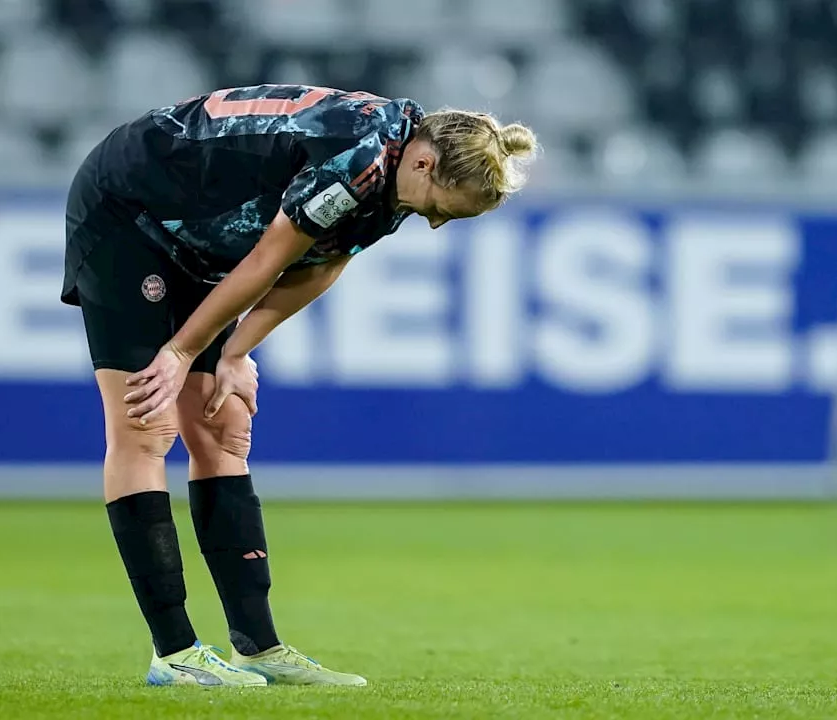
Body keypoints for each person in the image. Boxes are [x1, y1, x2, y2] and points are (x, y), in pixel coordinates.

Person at [61, 83, 537, 687]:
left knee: (223, 426)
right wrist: (181, 351)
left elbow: (321, 264)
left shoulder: (398, 172)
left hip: (195, 241)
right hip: (129, 211)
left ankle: (258, 648)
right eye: (444, 207)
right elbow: (267, 259)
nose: (437, 223)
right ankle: (174, 653)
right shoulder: (358, 159)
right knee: (144, 423)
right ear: (425, 163)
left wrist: (234, 351)